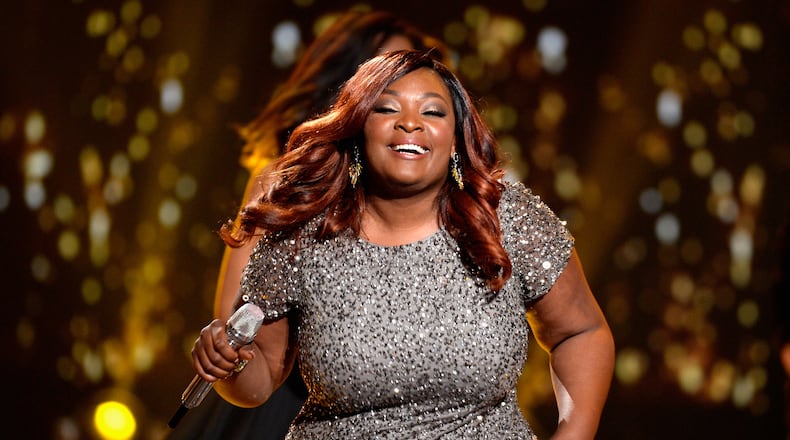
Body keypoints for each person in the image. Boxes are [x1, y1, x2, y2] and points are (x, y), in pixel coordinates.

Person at [192, 50, 615, 439]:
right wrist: (228, 364)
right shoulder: (302, 232)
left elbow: (581, 332)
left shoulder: (505, 219)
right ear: (357, 128)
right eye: (387, 108)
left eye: (432, 111)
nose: (410, 123)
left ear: (455, 138)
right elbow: (260, 380)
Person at [168, 10, 450, 440]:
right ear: (344, 84)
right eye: (384, 81)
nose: (405, 112)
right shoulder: (283, 181)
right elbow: (236, 320)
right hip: (282, 407)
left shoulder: (440, 200)